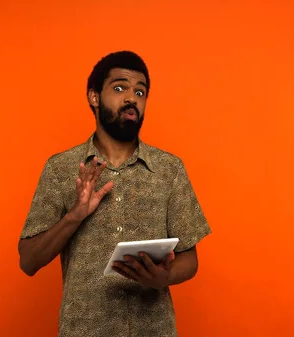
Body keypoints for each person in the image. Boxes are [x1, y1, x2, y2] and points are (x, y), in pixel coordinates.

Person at [18, 50, 211, 337]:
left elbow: (190, 259)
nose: (132, 97)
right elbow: (28, 261)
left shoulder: (169, 169)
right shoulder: (60, 168)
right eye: (119, 88)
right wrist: (75, 216)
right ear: (94, 97)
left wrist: (164, 277)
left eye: (140, 91)